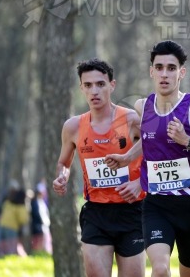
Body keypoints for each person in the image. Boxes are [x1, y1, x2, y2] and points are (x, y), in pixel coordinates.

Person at [105, 40, 190, 277]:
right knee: (160, 270)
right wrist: (126, 157)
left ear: (181, 72)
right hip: (156, 205)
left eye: (171, 68)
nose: (164, 74)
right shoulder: (143, 107)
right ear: (151, 71)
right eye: (159, 67)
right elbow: (150, 140)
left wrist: (188, 141)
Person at [52, 58, 147, 277]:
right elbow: (63, 163)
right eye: (88, 85)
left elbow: (157, 155)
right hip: (96, 213)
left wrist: (139, 182)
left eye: (100, 84)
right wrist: (62, 177)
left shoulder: (132, 120)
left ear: (112, 85)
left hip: (131, 211)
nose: (94, 91)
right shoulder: (73, 127)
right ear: (81, 88)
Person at [0, 188, 29, 257]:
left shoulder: (7, 203)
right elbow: (23, 220)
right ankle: (9, 259)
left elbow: (1, 212)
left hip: (1, 225)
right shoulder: (20, 207)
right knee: (10, 248)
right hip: (12, 228)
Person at [30, 187, 51, 254]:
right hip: (38, 225)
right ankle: (37, 253)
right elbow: (37, 214)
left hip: (44, 225)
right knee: (38, 240)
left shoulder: (41, 202)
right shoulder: (35, 202)